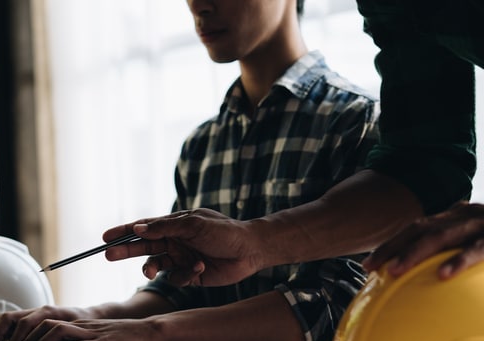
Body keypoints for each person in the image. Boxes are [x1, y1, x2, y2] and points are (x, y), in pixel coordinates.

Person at [0, 0, 379, 341]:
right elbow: (182, 289)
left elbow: (336, 302)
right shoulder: (202, 144)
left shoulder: (358, 123)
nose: (198, 5)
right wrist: (91, 317)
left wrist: (149, 333)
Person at [100, 0, 479, 290]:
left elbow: (340, 296)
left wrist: (156, 330)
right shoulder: (394, 10)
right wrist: (254, 242)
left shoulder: (354, 117)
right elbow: (423, 166)